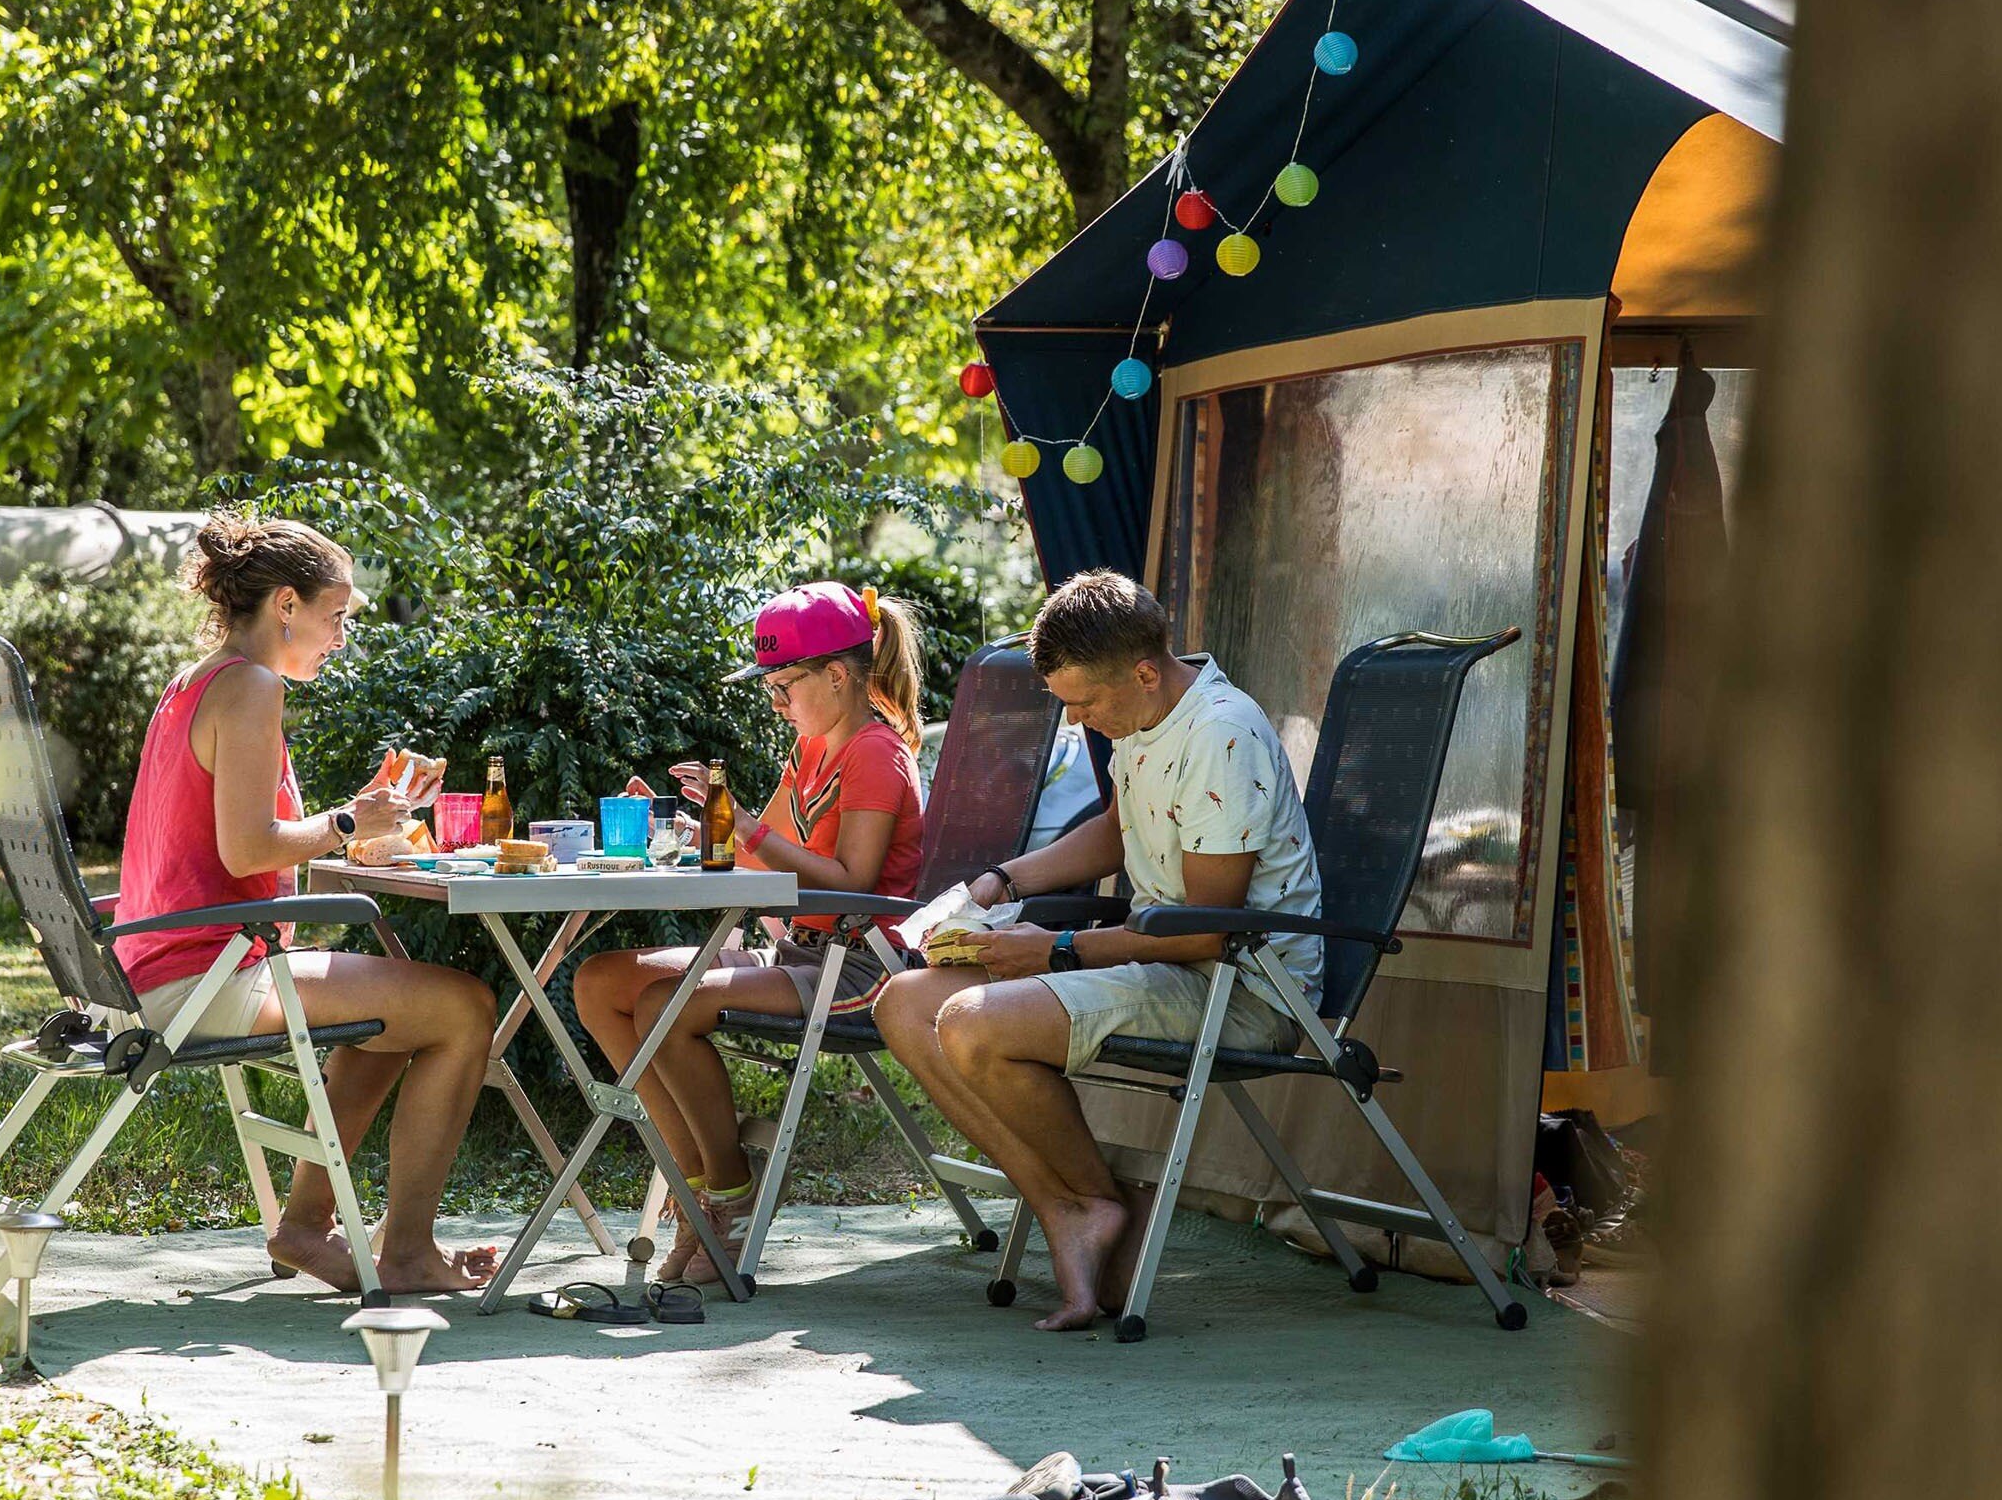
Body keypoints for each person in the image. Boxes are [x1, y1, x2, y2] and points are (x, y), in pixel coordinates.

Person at [873, 570, 1322, 1331]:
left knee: (972, 1022)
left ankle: (1093, 1201)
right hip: (1166, 962)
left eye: (1084, 702)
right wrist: (994, 885)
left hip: (1239, 988)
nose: (1076, 719)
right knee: (905, 1003)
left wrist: (1053, 951)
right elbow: (1121, 827)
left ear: (1144, 672)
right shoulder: (1146, 718)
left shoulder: (1220, 732)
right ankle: (1068, 1205)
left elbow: (1210, 930)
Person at [113, 509, 501, 1296]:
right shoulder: (251, 688)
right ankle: (407, 1252)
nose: (341, 636)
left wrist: (354, 819)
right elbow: (248, 850)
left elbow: (239, 846)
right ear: (286, 604)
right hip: (202, 973)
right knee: (463, 1009)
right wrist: (350, 821)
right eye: (337, 616)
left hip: (159, 961)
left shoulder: (196, 683)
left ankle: (305, 1230)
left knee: (401, 1015)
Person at [571, 581, 927, 1284]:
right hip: (799, 952)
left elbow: (849, 879)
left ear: (836, 675)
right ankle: (696, 1181)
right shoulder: (812, 748)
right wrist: (684, 821)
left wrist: (750, 827)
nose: (774, 700)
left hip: (857, 967)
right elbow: (752, 853)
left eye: (783, 684)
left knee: (664, 1004)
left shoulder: (875, 754)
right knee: (601, 981)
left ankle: (726, 1196)